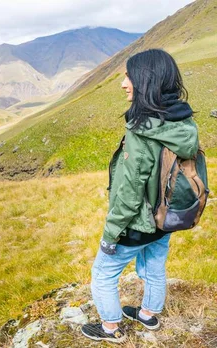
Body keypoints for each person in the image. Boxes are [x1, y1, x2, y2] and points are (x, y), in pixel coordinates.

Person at [80, 48, 200, 343]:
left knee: (103, 274)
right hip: (166, 217)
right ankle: (148, 314)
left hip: (137, 225)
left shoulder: (143, 130)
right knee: (154, 265)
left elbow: (130, 192)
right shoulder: (183, 122)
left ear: (145, 80)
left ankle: (110, 329)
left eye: (128, 76)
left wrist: (110, 234)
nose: (123, 83)